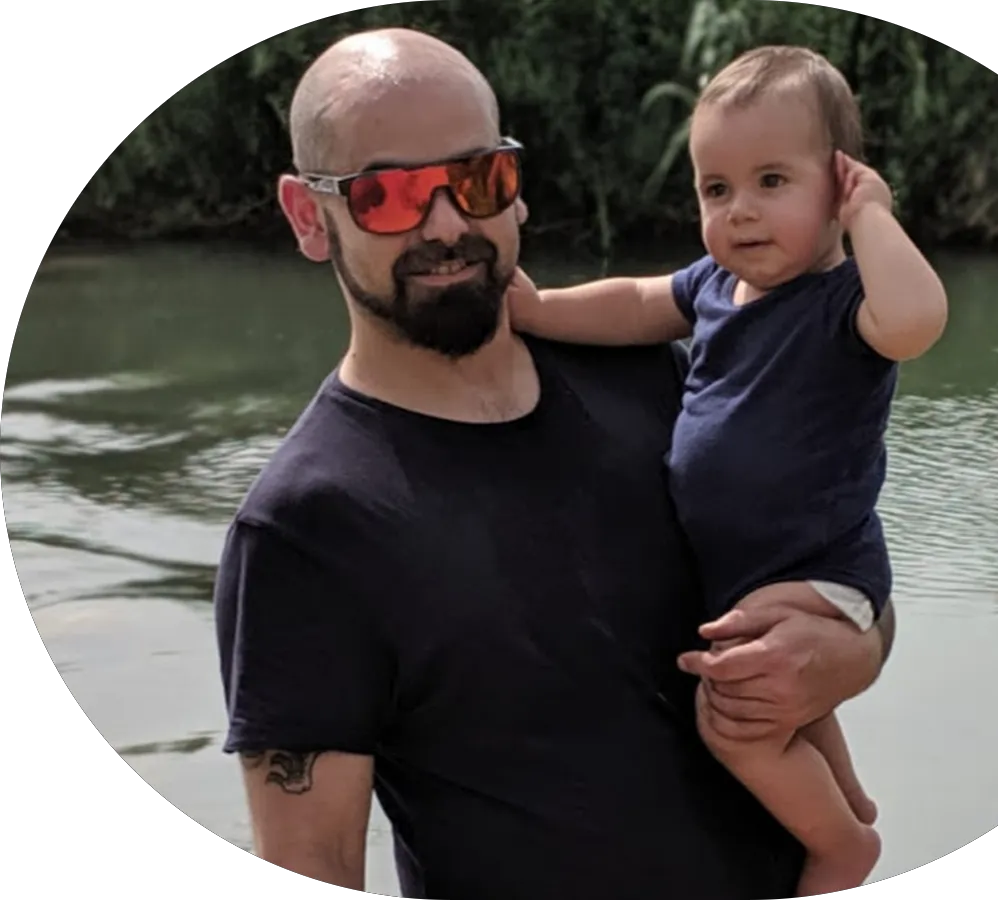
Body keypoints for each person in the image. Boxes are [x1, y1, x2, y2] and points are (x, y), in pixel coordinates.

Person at [212, 28, 897, 900]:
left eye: (477, 179)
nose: (447, 224)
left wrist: (851, 652)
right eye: (388, 194)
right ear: (311, 216)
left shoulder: (656, 380)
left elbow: (836, 566)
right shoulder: (305, 528)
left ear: (515, 186)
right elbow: (313, 862)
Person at [506, 45, 947, 896]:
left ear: (840, 183)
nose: (740, 211)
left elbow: (918, 321)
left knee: (734, 718)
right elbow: (638, 303)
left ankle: (840, 848)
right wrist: (537, 309)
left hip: (818, 568)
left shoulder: (845, 305)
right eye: (716, 189)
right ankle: (846, 799)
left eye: (772, 182)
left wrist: (872, 217)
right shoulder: (715, 284)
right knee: (777, 695)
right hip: (748, 567)